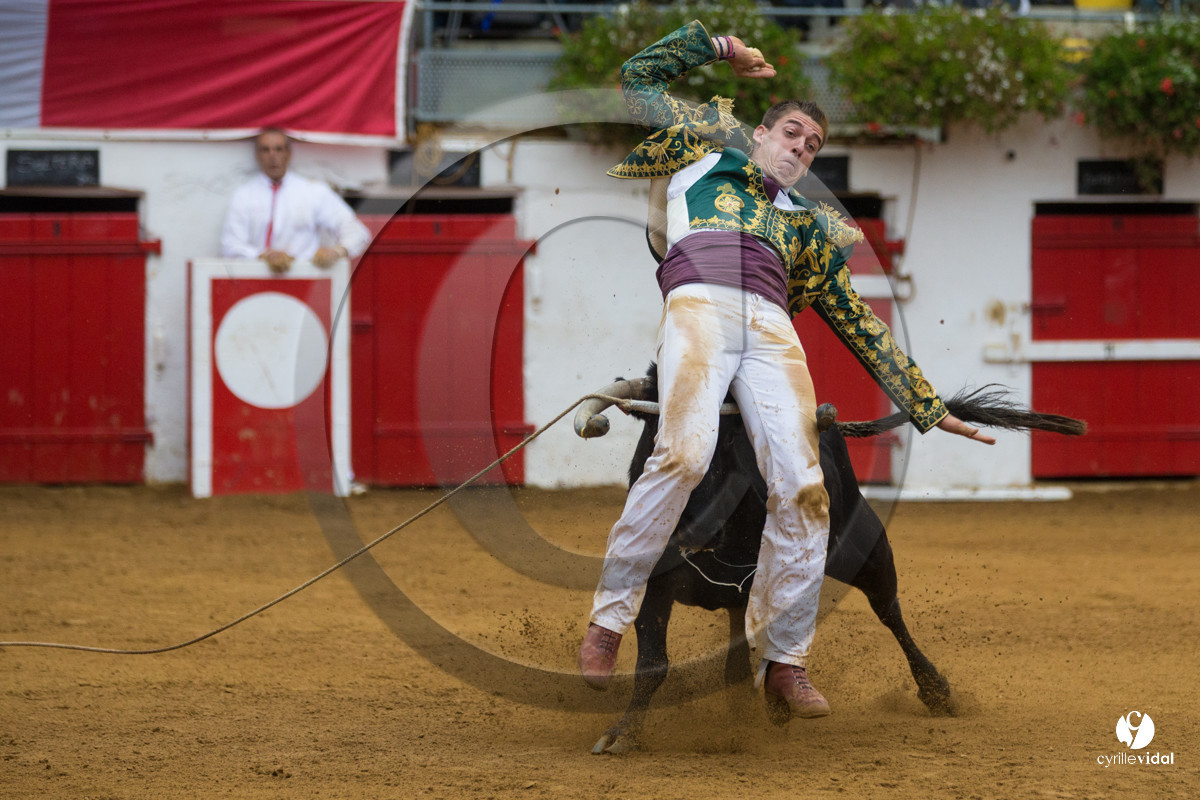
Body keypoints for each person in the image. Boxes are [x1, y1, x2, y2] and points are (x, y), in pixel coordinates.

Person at [578, 21, 996, 721]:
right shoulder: (703, 146)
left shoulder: (806, 227)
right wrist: (718, 49)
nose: (801, 148)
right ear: (763, 132)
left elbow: (857, 320)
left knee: (806, 488)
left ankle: (785, 659)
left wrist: (927, 406)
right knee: (682, 455)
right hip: (702, 299)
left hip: (771, 328)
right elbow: (638, 81)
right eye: (793, 133)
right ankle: (609, 622)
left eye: (813, 145)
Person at [221, 128, 372, 273]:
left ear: (289, 153)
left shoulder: (313, 191)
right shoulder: (243, 195)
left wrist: (337, 251)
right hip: (255, 282)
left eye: (278, 149)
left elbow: (357, 232)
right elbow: (231, 245)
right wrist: (262, 256)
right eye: (265, 150)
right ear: (257, 155)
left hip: (306, 283)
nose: (272, 155)